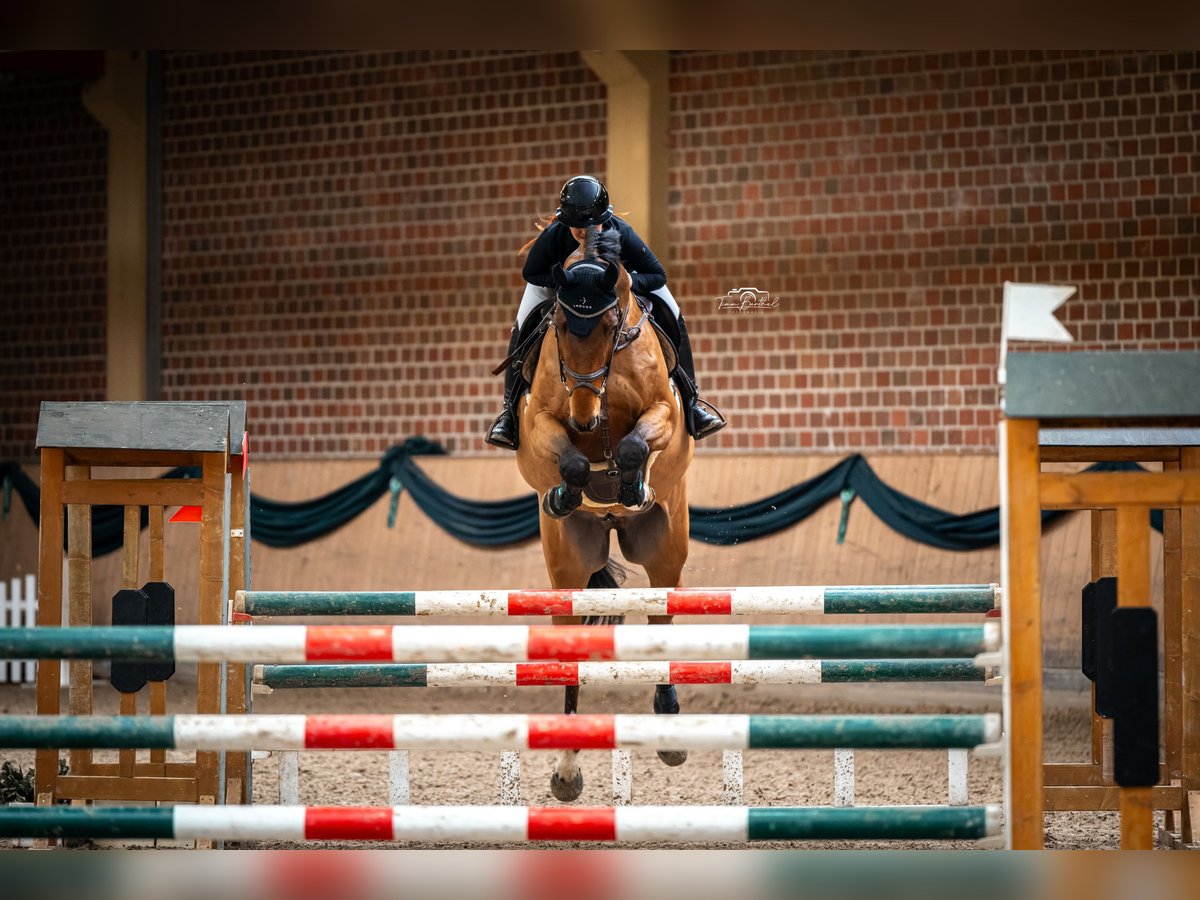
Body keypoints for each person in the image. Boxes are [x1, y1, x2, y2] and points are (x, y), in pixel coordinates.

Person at [486, 175, 726, 449]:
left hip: (611, 290)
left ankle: (692, 402)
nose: (584, 231)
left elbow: (657, 274)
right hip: (562, 288)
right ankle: (509, 413)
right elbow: (530, 272)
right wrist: (566, 281)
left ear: (605, 217)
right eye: (576, 226)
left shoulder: (621, 231)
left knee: (672, 309)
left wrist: (628, 282)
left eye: (591, 224)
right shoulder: (555, 235)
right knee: (523, 319)